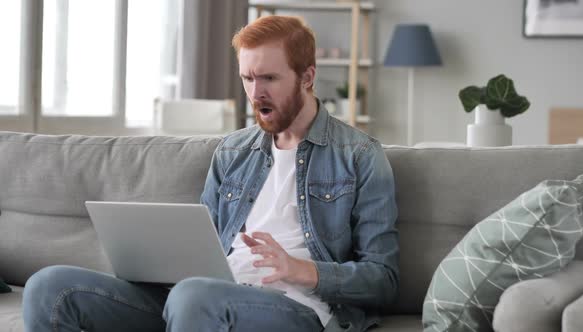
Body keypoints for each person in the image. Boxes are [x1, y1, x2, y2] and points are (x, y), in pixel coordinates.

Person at [22, 15, 399, 332]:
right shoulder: (233, 152)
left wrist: (303, 270)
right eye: (248, 79)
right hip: (201, 297)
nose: (256, 93)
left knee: (196, 297)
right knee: (49, 286)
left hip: (296, 307)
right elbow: (204, 247)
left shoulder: (360, 156)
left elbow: (384, 280)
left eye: (269, 78)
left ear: (307, 77)